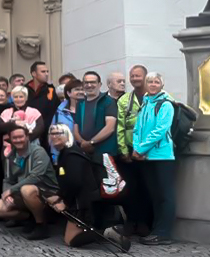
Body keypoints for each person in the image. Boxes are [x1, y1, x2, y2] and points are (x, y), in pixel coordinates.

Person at [45, 124, 130, 250]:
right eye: (52, 134)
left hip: (83, 203)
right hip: (82, 200)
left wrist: (63, 202)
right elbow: (69, 182)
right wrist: (59, 196)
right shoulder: (66, 153)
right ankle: (106, 231)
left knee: (71, 240)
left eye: (59, 133)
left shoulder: (71, 155)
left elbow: (76, 182)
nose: (55, 136)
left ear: (68, 135)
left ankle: (108, 233)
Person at [0, 126, 60, 240]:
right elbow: (8, 180)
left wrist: (11, 190)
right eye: (15, 138)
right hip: (23, 192)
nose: (18, 140)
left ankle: (41, 225)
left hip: (47, 192)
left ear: (27, 137)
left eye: (21, 137)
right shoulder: (10, 156)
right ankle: (31, 218)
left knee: (27, 189)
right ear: (11, 139)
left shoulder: (38, 151)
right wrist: (7, 194)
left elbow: (35, 177)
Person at [133, 72, 177, 246]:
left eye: (156, 82)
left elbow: (160, 130)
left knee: (166, 195)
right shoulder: (145, 104)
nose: (152, 84)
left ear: (161, 85)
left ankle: (164, 232)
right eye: (149, 81)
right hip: (146, 156)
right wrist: (137, 148)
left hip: (162, 156)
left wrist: (141, 148)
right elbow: (137, 128)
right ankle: (156, 230)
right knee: (155, 194)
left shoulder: (166, 105)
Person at [116, 64, 152, 238]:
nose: (135, 79)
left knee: (147, 187)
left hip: (150, 151)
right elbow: (120, 126)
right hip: (130, 151)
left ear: (145, 77)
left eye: (138, 75)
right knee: (129, 188)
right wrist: (123, 150)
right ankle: (131, 221)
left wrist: (145, 149)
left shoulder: (156, 97)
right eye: (132, 76)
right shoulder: (124, 100)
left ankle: (144, 223)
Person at [74, 71, 118, 160]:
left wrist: (91, 142)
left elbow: (110, 127)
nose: (89, 85)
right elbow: (76, 127)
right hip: (84, 153)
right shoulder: (80, 103)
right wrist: (83, 143)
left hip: (104, 153)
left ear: (99, 84)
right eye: (86, 82)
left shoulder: (108, 101)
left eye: (93, 82)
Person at [0, 86, 44, 155]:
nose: (18, 99)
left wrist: (24, 141)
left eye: (21, 97)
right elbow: (0, 127)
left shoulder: (34, 112)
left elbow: (40, 128)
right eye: (16, 97)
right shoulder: (6, 112)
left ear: (26, 98)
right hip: (9, 148)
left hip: (31, 147)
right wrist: (14, 124)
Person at [25, 61, 59, 148]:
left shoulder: (50, 90)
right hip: (28, 133)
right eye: (43, 72)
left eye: (47, 71)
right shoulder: (24, 90)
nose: (46, 74)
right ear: (34, 73)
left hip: (46, 134)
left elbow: (54, 111)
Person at [49, 79, 84, 162]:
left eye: (82, 89)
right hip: (67, 154)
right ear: (68, 93)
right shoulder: (59, 112)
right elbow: (54, 136)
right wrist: (55, 156)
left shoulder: (90, 109)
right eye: (77, 89)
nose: (81, 92)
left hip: (86, 152)